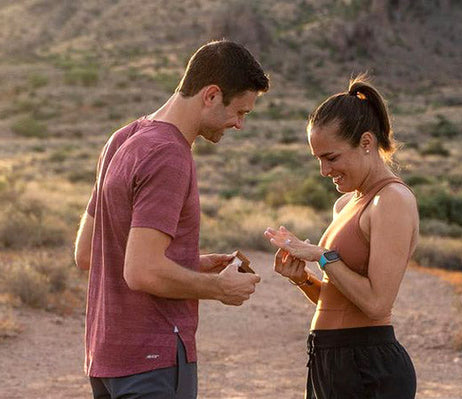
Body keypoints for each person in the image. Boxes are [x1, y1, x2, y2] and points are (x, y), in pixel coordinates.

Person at [74, 40, 269, 399]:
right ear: (211, 95)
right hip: (154, 362)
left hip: (107, 360)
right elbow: (142, 271)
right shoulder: (169, 154)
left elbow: (90, 253)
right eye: (240, 112)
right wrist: (219, 289)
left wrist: (190, 265)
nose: (239, 125)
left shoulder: (122, 139)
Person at [264, 74, 418, 399]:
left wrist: (321, 255)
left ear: (366, 143)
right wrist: (304, 279)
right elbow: (341, 300)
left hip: (367, 365)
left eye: (331, 157)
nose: (323, 171)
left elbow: (377, 304)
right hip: (328, 359)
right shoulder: (345, 204)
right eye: (318, 159)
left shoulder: (391, 200)